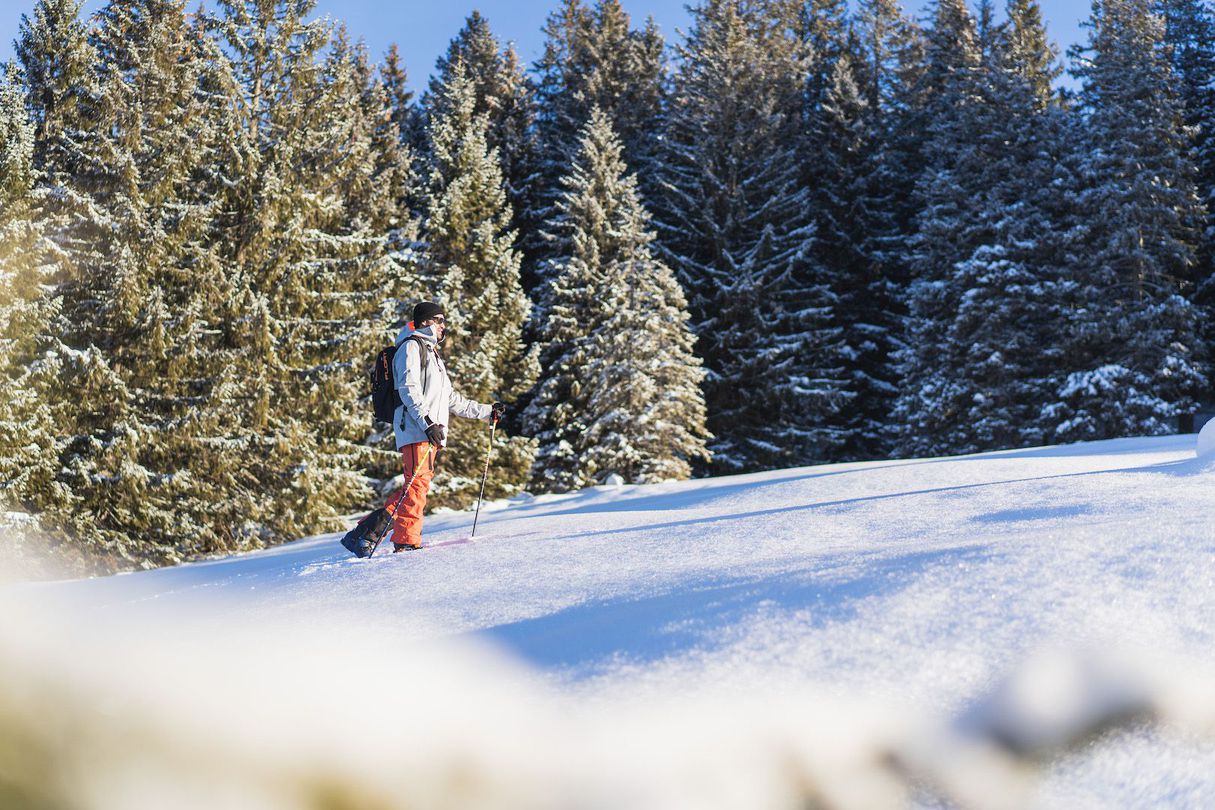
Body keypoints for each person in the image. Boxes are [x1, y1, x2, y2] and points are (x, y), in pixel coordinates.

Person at [385, 301, 505, 551]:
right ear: (426, 321)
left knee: (415, 484)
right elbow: (408, 389)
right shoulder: (410, 347)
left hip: (429, 431)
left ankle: (367, 531)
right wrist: (427, 423)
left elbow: (451, 399)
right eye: (439, 320)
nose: (443, 325)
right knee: (417, 484)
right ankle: (406, 541)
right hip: (417, 428)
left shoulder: (432, 354)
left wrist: (486, 412)